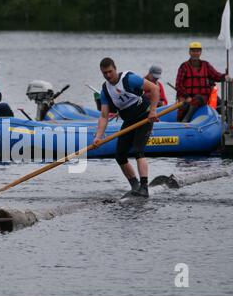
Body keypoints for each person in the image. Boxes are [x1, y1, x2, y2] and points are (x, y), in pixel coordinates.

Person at [93, 57, 160, 198]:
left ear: (115, 69)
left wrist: (153, 111)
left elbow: (154, 88)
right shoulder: (105, 90)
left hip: (144, 117)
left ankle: (144, 188)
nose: (108, 75)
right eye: (104, 73)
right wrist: (98, 137)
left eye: (110, 71)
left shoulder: (129, 79)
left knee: (137, 150)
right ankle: (135, 186)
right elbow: (104, 116)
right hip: (129, 120)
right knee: (120, 155)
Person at [175, 42, 227, 122]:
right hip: (190, 98)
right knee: (198, 98)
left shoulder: (206, 65)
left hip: (205, 97)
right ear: (189, 52)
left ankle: (227, 121)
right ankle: (185, 121)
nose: (195, 53)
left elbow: (216, 75)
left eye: (197, 51)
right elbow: (178, 85)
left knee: (221, 102)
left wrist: (225, 76)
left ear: (200, 52)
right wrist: (186, 96)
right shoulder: (184, 66)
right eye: (193, 51)